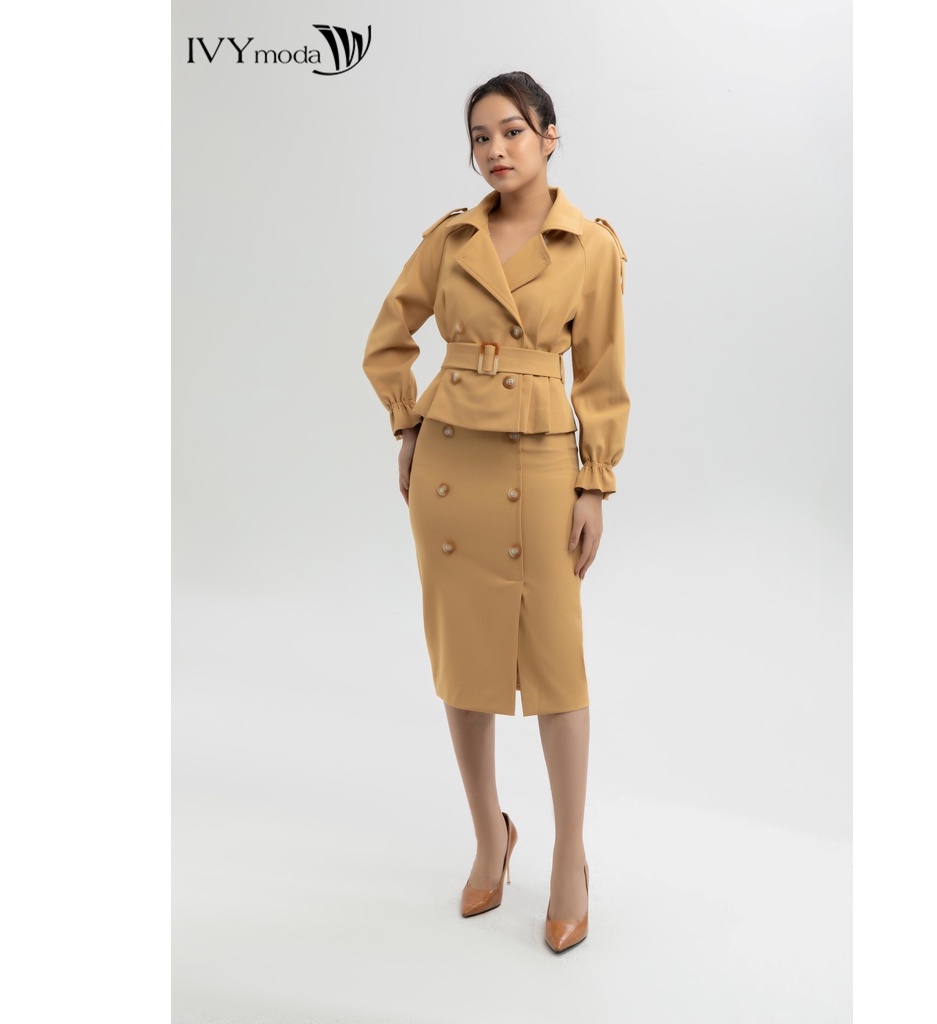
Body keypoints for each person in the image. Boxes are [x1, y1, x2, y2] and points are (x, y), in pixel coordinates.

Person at [362, 70, 629, 953]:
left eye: (512, 130)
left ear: (550, 136)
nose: (495, 150)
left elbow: (602, 376)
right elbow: (387, 339)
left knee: (556, 666)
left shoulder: (589, 246)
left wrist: (594, 483)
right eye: (480, 136)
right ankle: (489, 836)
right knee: (464, 657)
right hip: (451, 464)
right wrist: (409, 422)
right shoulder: (451, 240)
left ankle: (568, 856)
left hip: (543, 462)